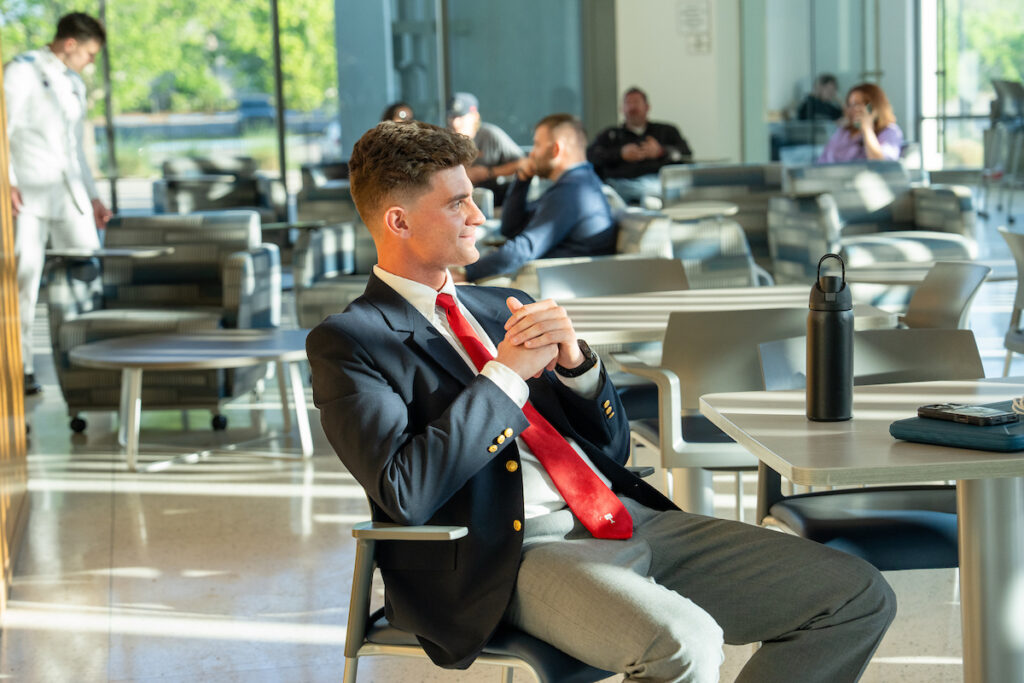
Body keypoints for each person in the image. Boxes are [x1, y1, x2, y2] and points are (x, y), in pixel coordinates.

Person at [306, 119, 896, 682]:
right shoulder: (352, 341)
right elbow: (405, 492)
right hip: (510, 555)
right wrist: (504, 377)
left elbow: (612, 450)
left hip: (623, 516)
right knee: (685, 645)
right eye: (458, 203)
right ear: (399, 221)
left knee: (856, 594)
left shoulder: (502, 306)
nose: (479, 216)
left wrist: (579, 369)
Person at [5, 12, 112, 396]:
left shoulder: (73, 83)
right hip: (27, 197)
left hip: (70, 196)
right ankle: (20, 369)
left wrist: (94, 196)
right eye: (89, 54)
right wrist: (6, 182)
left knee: (88, 272)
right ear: (70, 43)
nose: (90, 62)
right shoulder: (20, 72)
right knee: (23, 284)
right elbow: (3, 131)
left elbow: (75, 148)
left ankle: (94, 358)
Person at [456, 113, 615, 283]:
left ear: (555, 150)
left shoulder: (573, 192)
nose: (531, 153)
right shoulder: (577, 183)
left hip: (561, 285)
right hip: (548, 279)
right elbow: (511, 228)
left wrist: (465, 273)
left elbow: (524, 248)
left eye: (537, 145)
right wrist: (522, 179)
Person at [587, 87, 692, 205]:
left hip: (658, 183)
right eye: (628, 103)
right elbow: (591, 156)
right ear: (622, 109)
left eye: (636, 102)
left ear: (647, 107)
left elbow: (686, 154)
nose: (632, 107)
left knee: (656, 187)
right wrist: (620, 154)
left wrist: (661, 151)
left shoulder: (666, 131)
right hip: (621, 186)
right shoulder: (611, 135)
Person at [447, 91, 524, 205]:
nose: (455, 123)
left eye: (461, 117)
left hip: (492, 200)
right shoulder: (444, 140)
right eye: (452, 117)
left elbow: (523, 163)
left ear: (475, 116)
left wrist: (489, 172)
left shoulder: (491, 135)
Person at [818, 83, 904, 163]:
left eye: (857, 104)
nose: (852, 110)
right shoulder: (843, 132)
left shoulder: (889, 132)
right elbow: (822, 162)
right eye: (850, 105)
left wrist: (867, 129)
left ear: (873, 108)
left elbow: (883, 163)